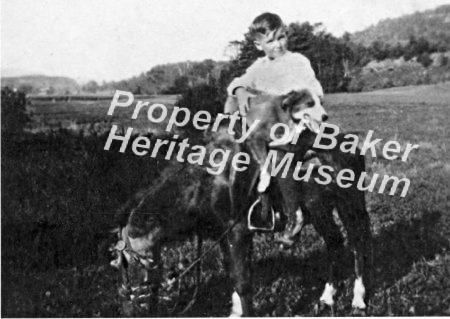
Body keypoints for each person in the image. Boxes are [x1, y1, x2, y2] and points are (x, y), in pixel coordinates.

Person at [225, 12, 324, 243]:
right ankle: (261, 206)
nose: (278, 45)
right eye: (270, 41)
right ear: (258, 45)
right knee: (242, 155)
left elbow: (314, 91)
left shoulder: (298, 62)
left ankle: (294, 215)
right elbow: (239, 81)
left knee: (278, 158)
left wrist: (295, 104)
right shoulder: (259, 67)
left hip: (299, 123)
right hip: (269, 128)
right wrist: (240, 91)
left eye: (281, 37)